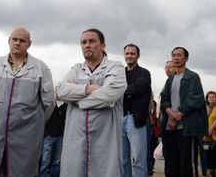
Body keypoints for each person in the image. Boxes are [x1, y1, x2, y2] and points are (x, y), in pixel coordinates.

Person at [0, 27, 55, 177]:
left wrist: (34, 123)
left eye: (22, 40)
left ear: (29, 44)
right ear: (9, 41)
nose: (18, 43)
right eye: (15, 39)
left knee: (23, 171)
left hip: (26, 136)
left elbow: (49, 103)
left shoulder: (41, 68)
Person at [56, 28, 127, 176]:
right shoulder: (76, 69)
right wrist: (87, 89)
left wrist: (77, 102)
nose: (87, 45)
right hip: (76, 139)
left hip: (105, 139)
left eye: (92, 41)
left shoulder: (115, 67)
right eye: (83, 42)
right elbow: (60, 91)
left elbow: (109, 96)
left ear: (103, 46)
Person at [160, 47, 208, 177]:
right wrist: (170, 114)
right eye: (174, 55)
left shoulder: (192, 77)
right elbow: (164, 99)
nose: (176, 58)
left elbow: (194, 99)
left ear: (186, 58)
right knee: (171, 164)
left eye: (179, 55)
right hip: (169, 129)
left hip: (186, 128)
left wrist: (178, 116)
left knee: (187, 164)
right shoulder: (169, 80)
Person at [121, 43, 152, 177]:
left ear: (138, 56)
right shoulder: (119, 73)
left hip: (136, 120)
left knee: (138, 159)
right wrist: (125, 91)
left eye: (132, 53)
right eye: (127, 53)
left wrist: (120, 91)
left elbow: (138, 88)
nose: (129, 56)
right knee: (123, 160)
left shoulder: (144, 73)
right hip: (119, 118)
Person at [38, 101, 67, 177]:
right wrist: (46, 133)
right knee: (45, 161)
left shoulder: (66, 105)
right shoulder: (50, 103)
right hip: (49, 136)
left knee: (57, 161)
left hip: (61, 136)